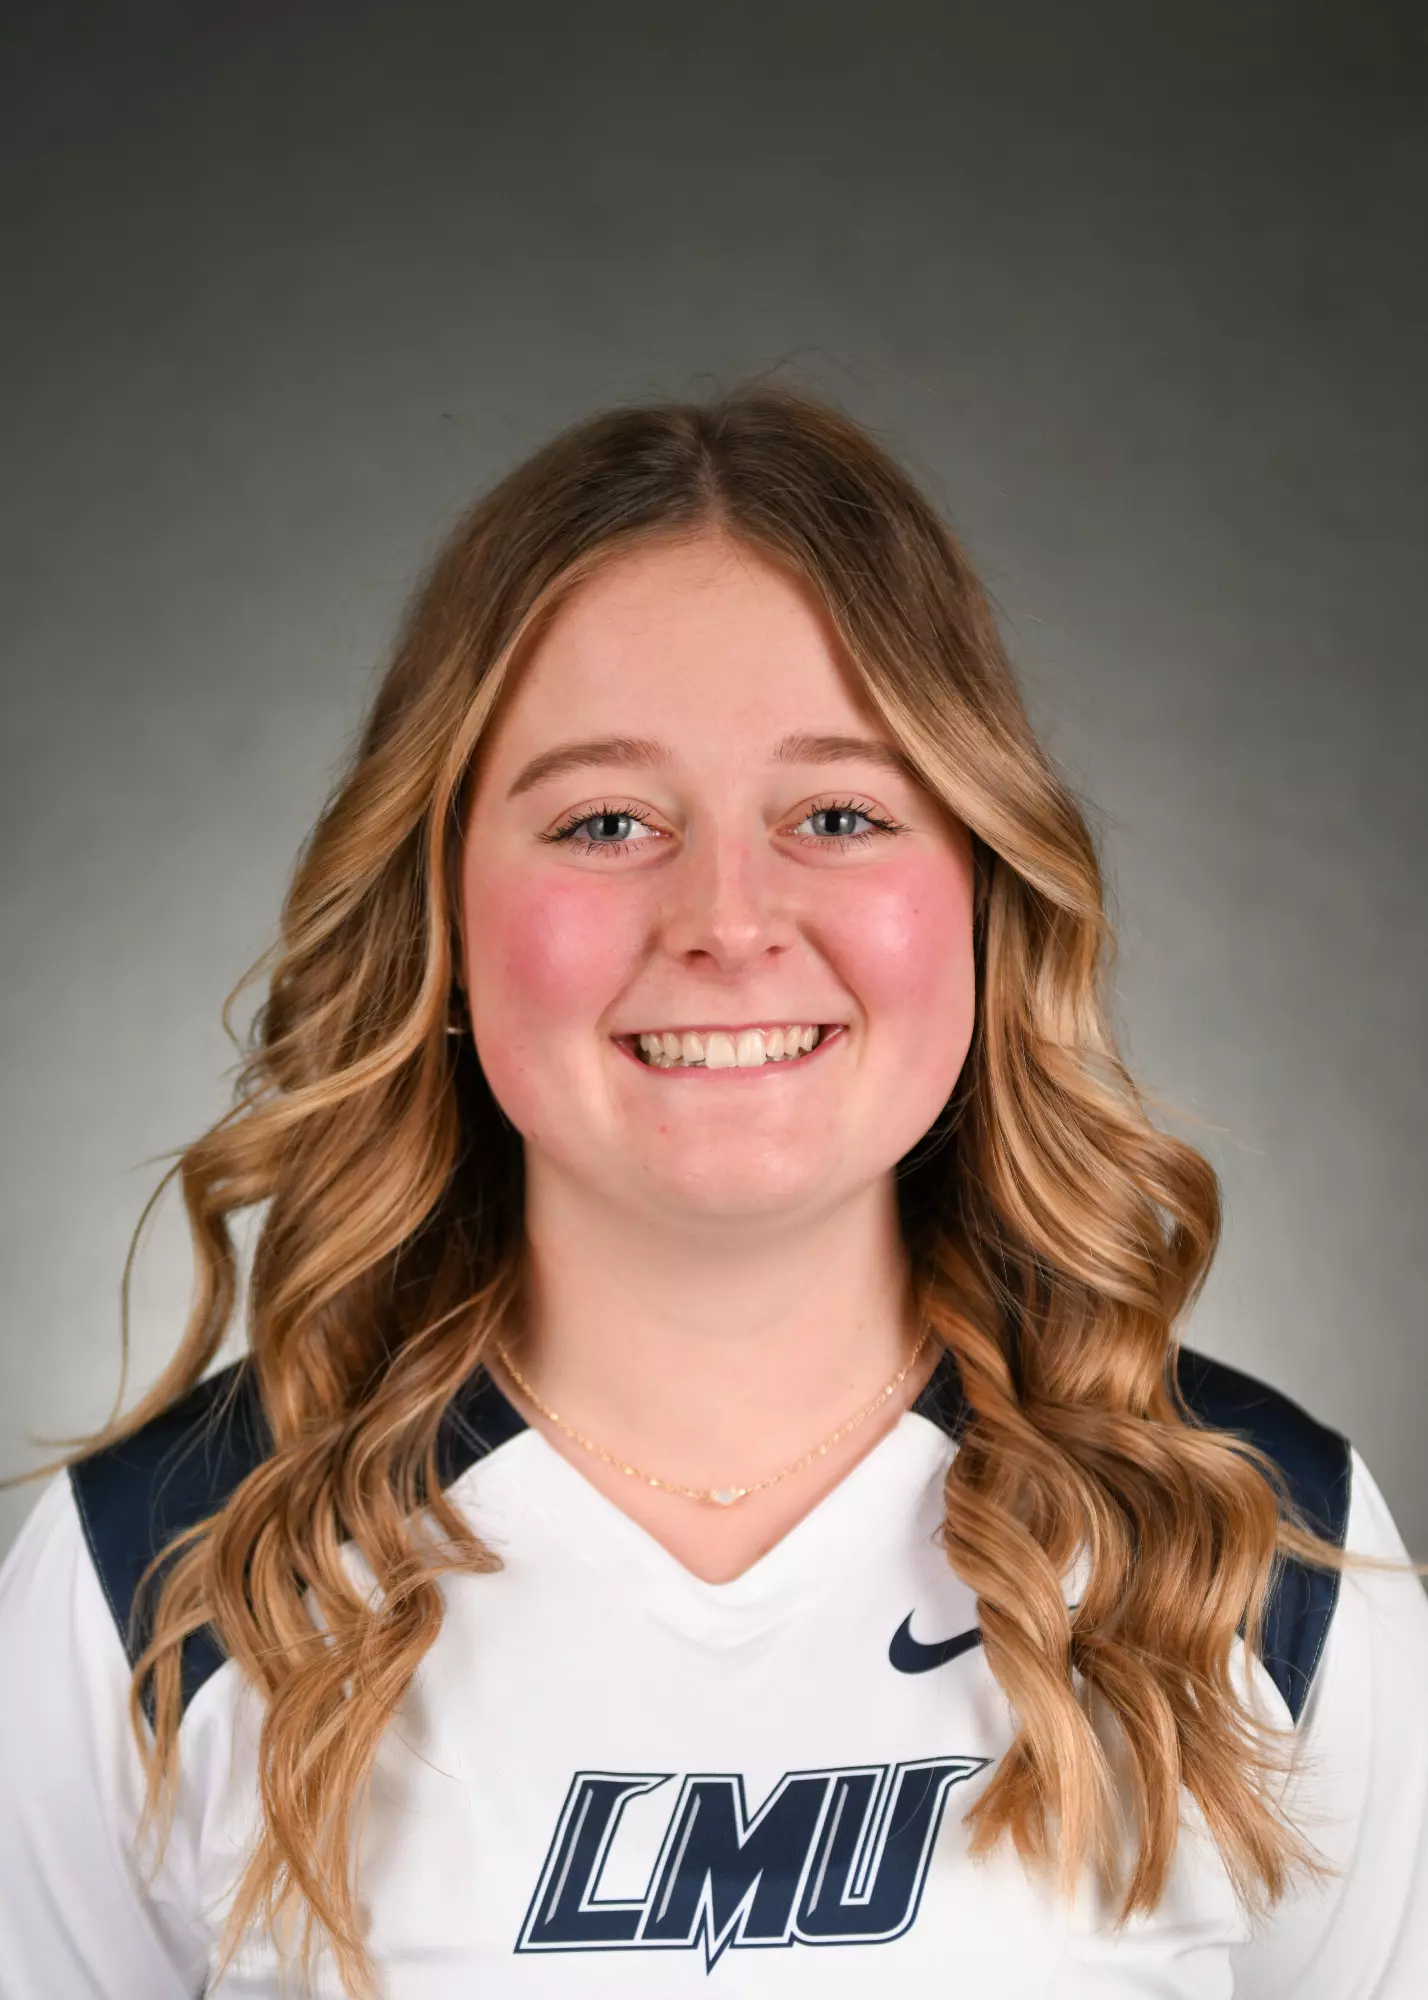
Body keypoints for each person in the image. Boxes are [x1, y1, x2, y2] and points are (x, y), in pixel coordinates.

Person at [0, 386, 1424, 1999]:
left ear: (983, 891)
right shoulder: (159, 1575)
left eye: (840, 815)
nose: (729, 923)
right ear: (441, 911)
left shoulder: (1257, 1549)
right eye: (606, 822)